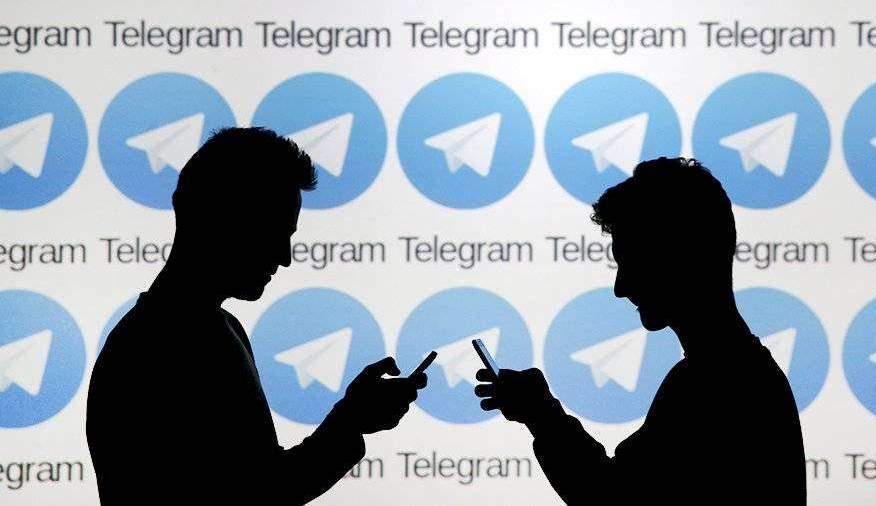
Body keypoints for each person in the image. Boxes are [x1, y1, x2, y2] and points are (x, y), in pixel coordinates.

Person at [86, 127, 427, 505]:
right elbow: (263, 492)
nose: (285, 257)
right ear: (218, 218)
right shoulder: (169, 344)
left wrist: (349, 421)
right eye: (272, 231)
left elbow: (257, 482)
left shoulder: (191, 331)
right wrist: (349, 422)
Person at [475, 157, 806, 504]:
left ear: (681, 259)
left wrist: (542, 415)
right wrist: (542, 415)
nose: (621, 288)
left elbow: (608, 497)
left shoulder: (717, 384)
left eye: (633, 263)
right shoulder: (736, 374)